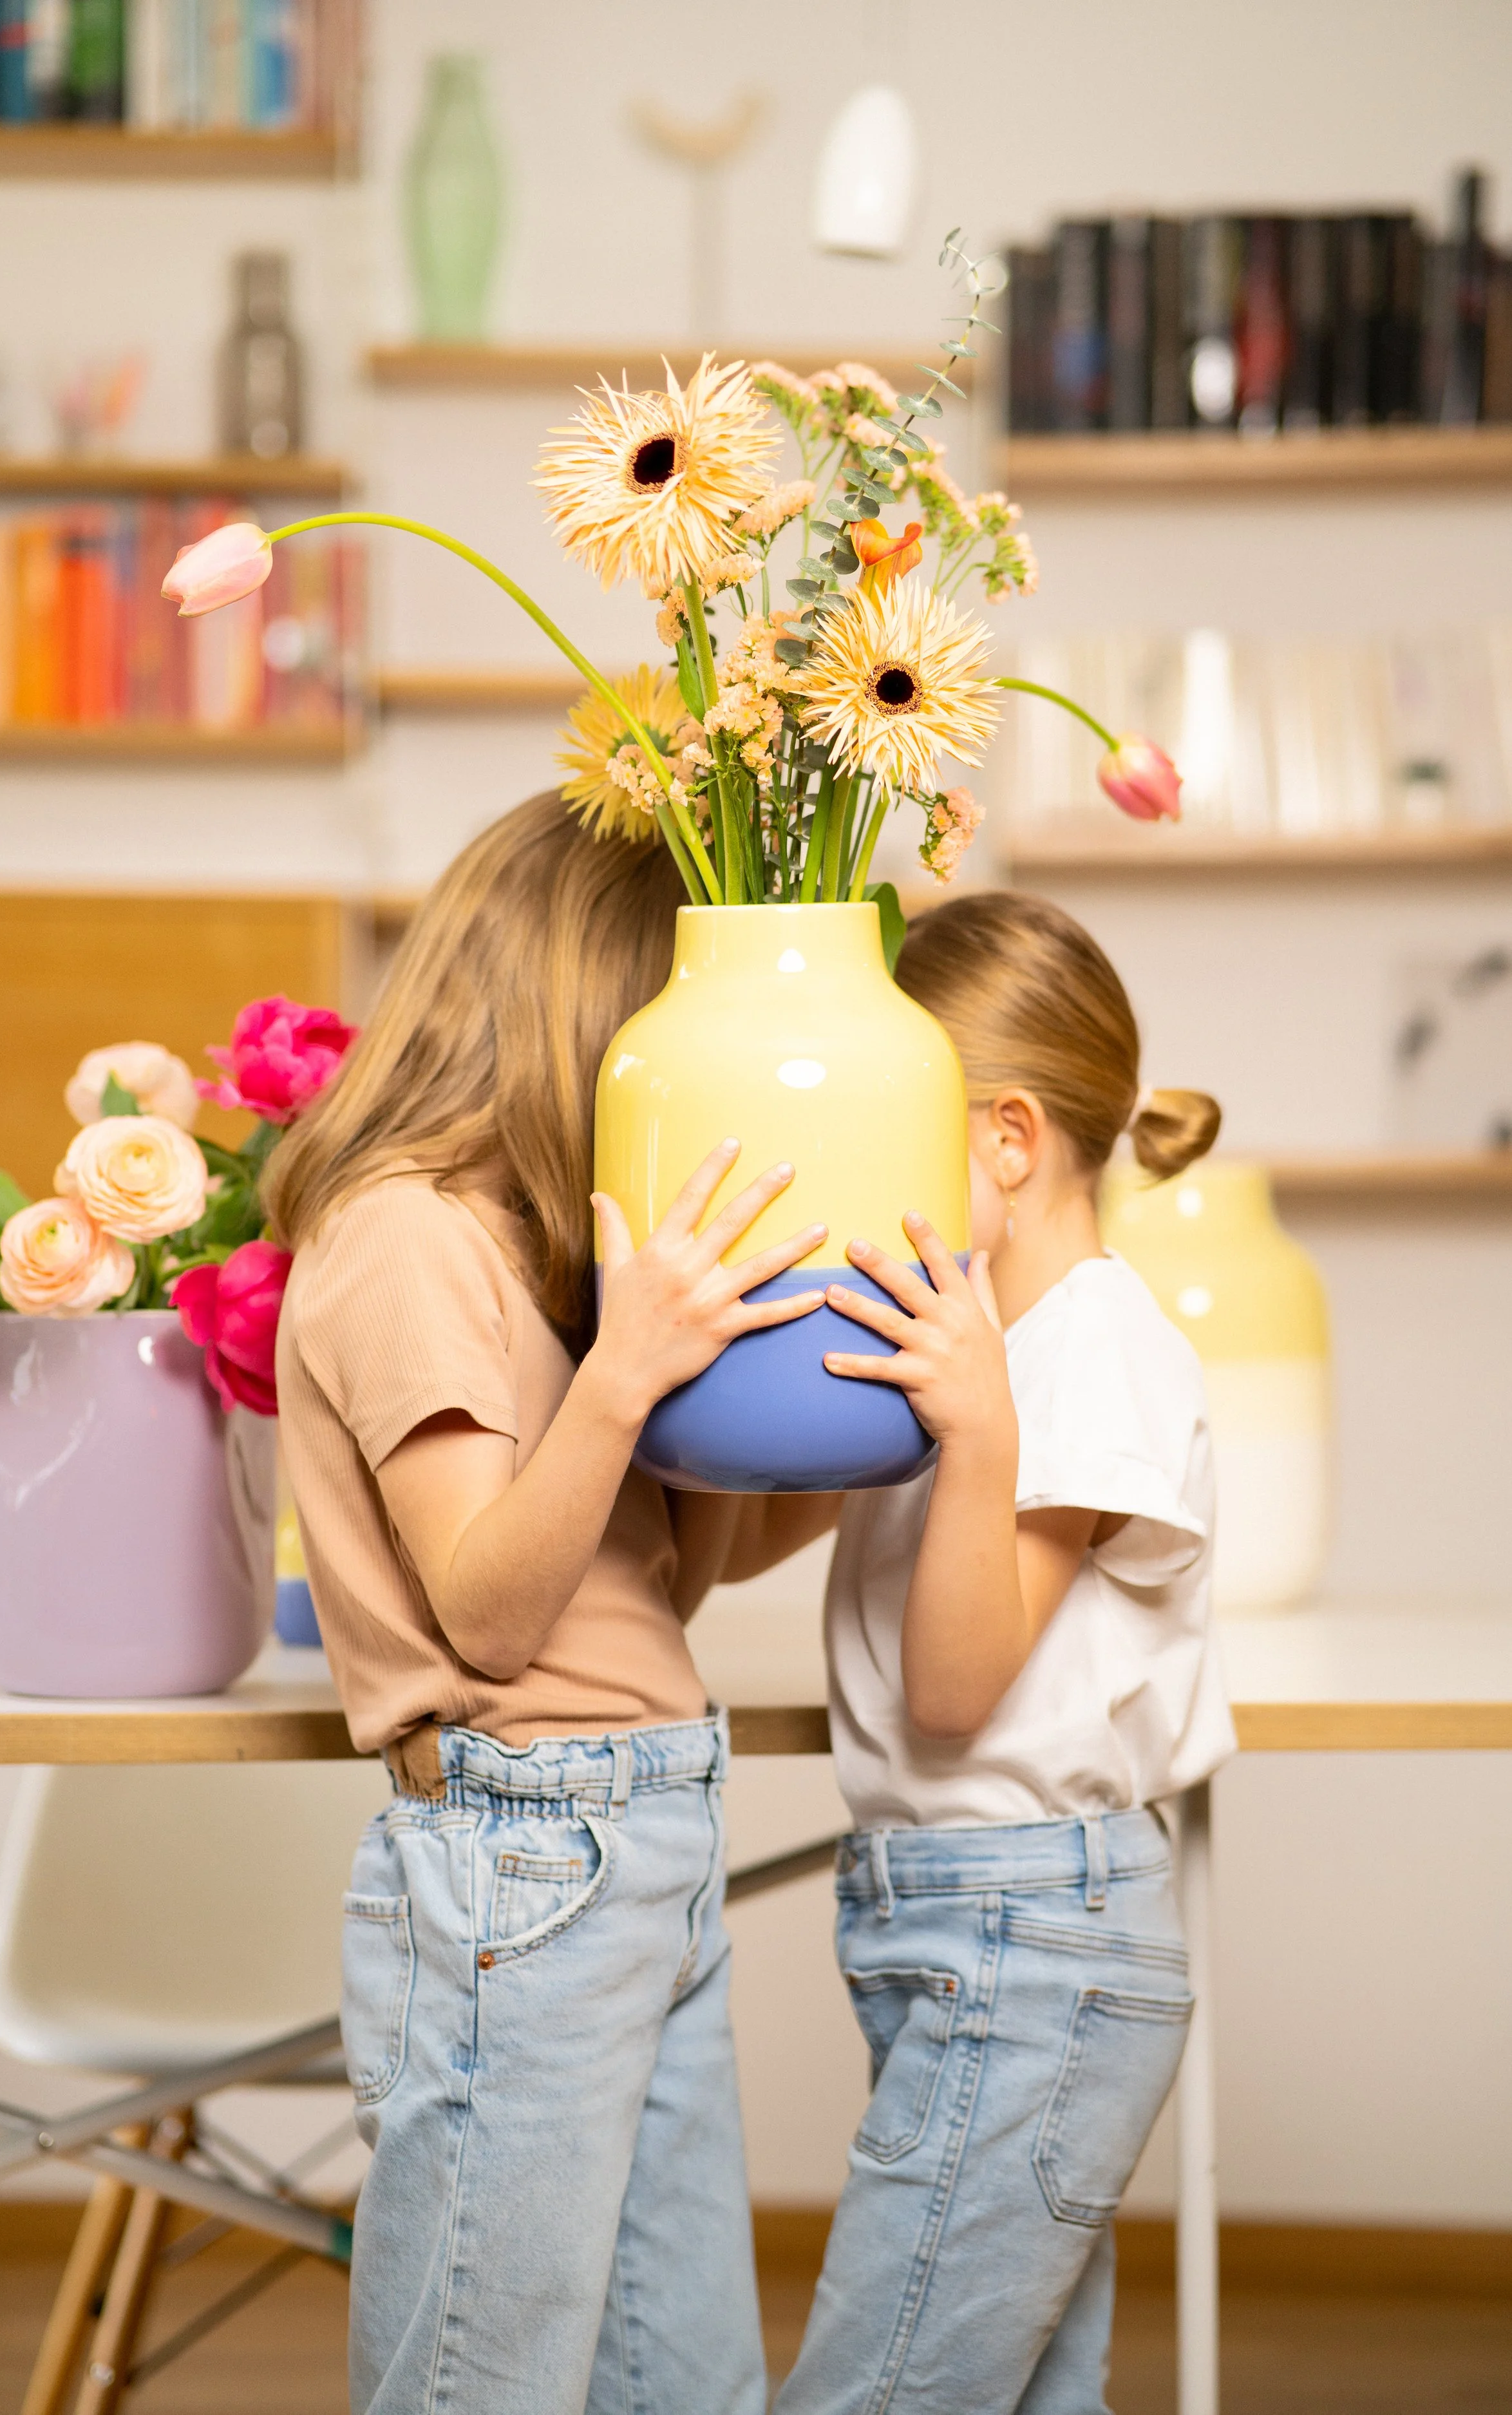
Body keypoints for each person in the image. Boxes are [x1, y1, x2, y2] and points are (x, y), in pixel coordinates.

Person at [267, 793, 829, 2415]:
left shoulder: (539, 1254)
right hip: (528, 1846)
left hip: (640, 1828)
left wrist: (845, 1411)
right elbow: (490, 1613)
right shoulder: (404, 1237)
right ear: (598, 1014)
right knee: (484, 2378)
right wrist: (625, 1379)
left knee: (686, 2377)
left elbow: (661, 1583)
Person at [776, 891, 1236, 2415]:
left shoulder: (1084, 1349)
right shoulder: (997, 1347)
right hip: (976, 1926)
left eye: (883, 1132)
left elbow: (955, 1689)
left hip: (1027, 1938)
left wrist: (976, 1430)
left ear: (1008, 1139)